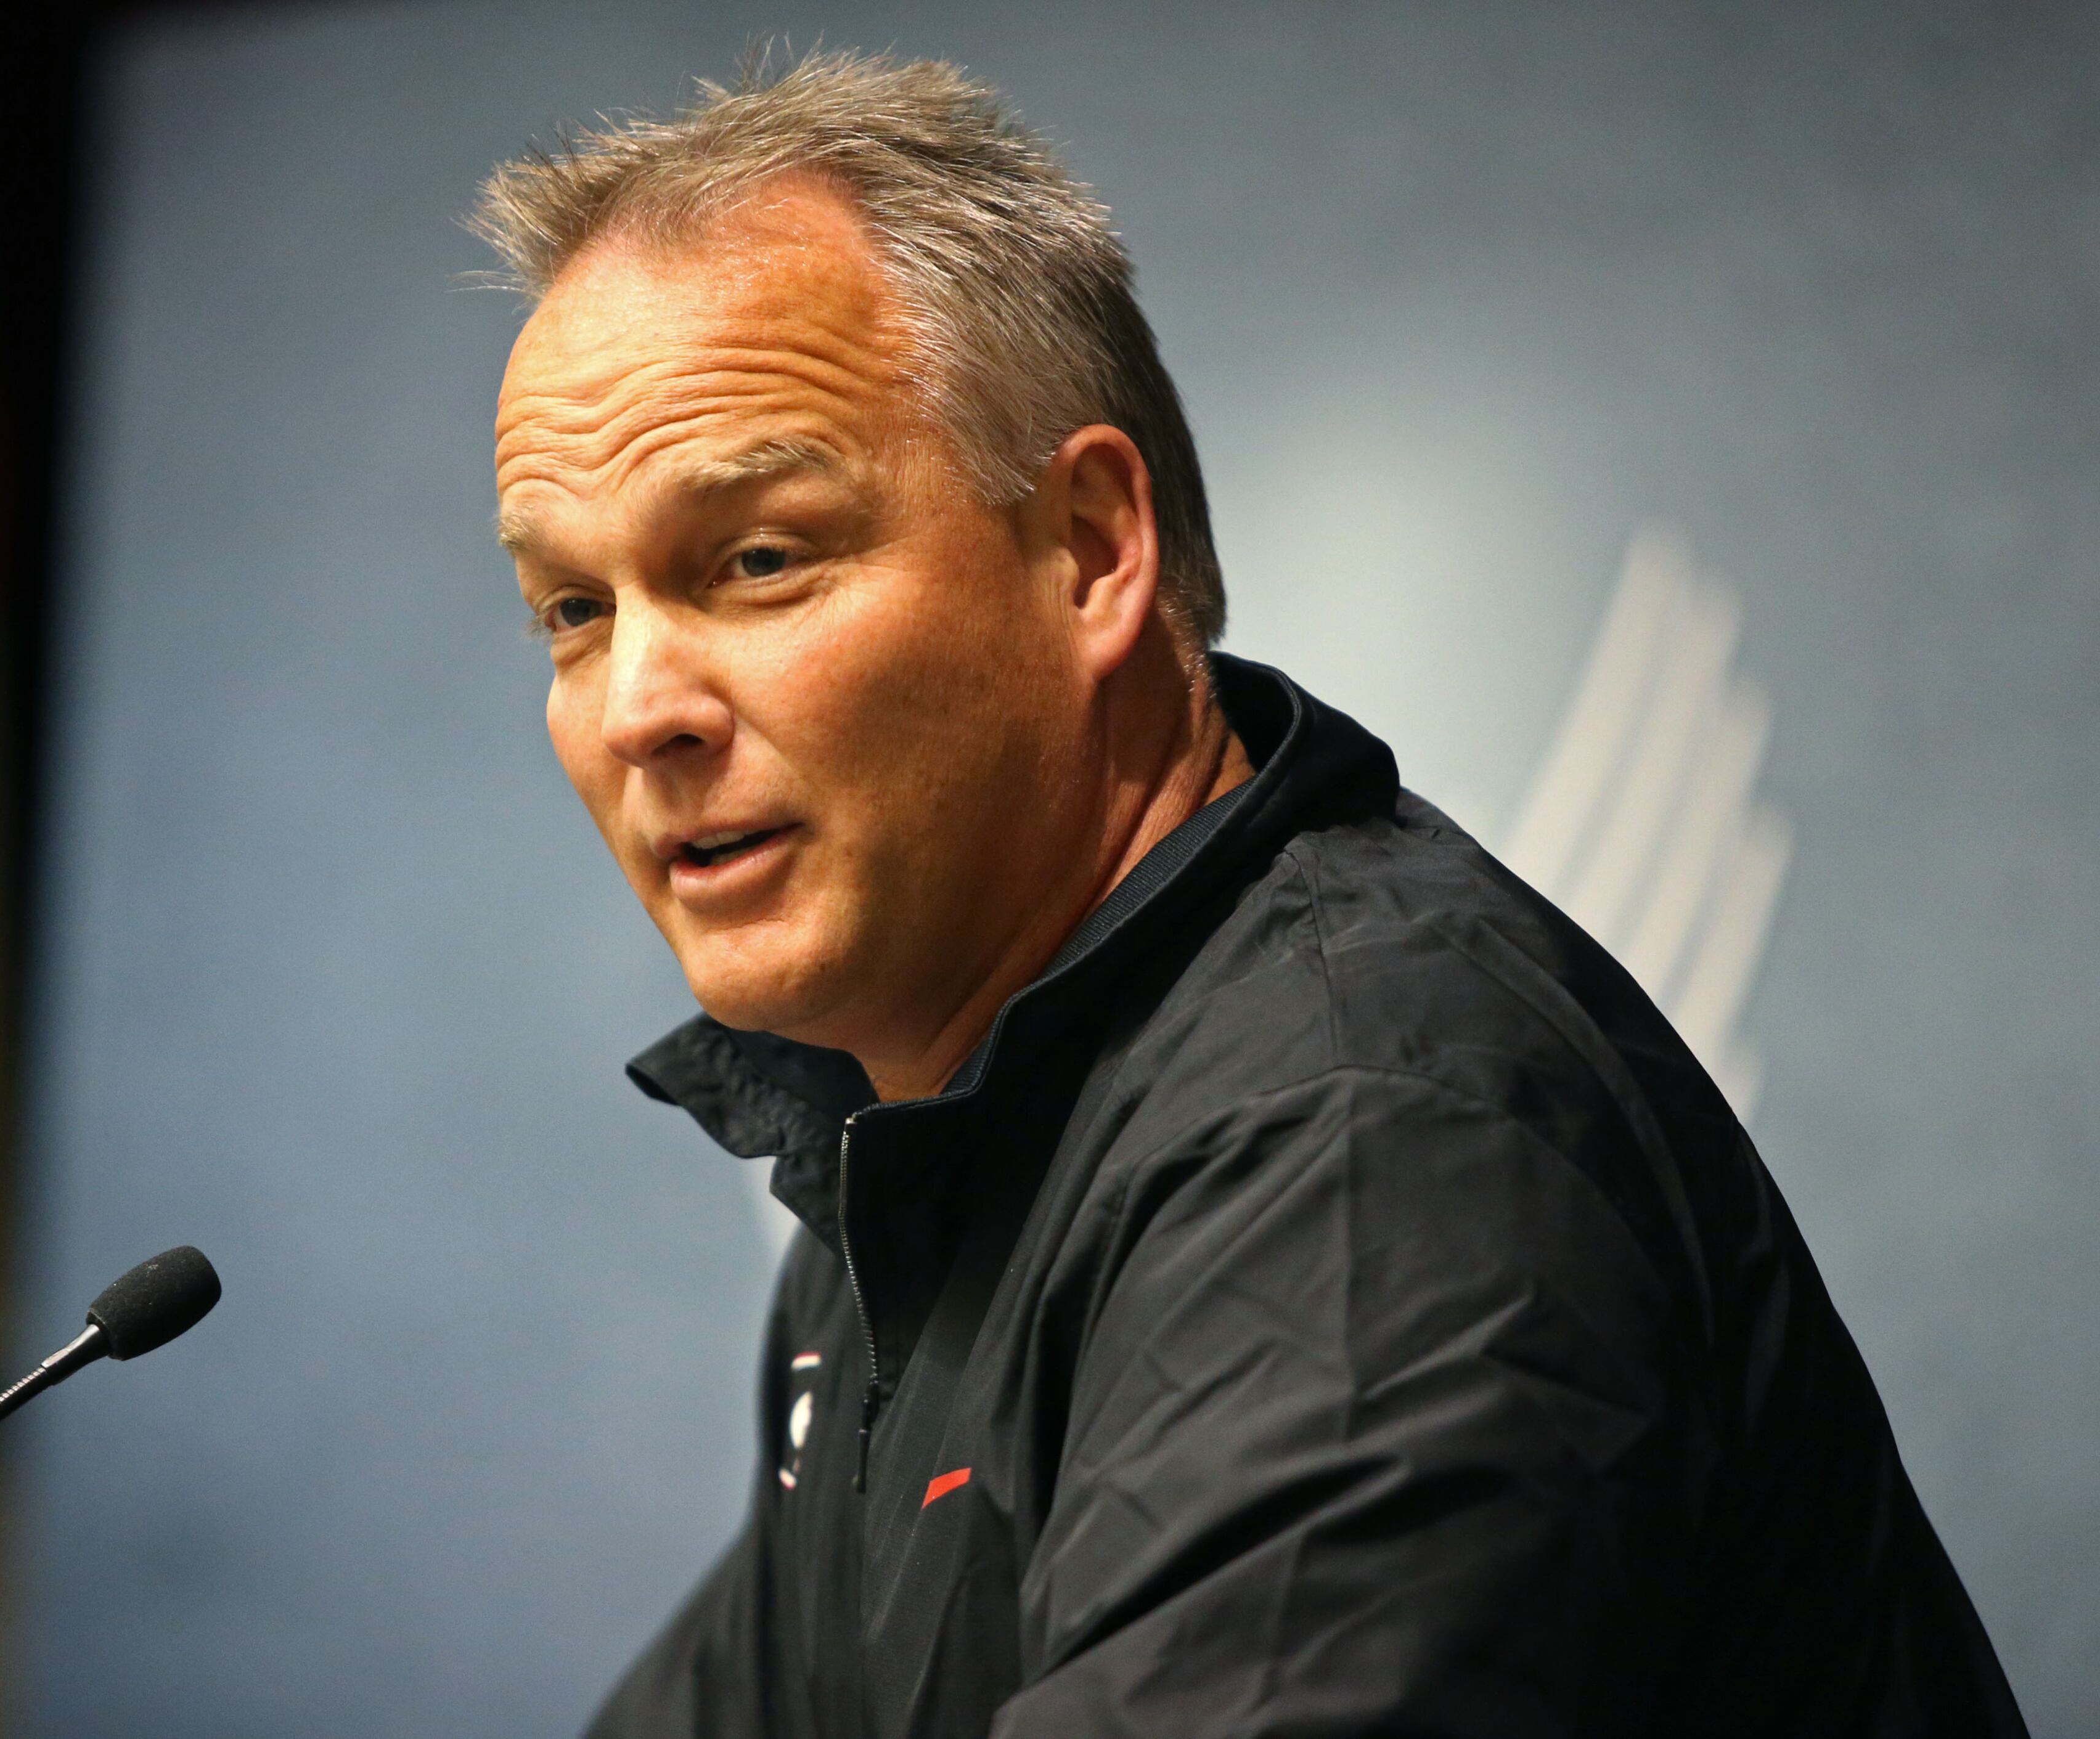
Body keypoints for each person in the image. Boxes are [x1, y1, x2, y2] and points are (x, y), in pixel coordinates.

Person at [476, 49, 2025, 1739]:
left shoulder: (1368, 1134)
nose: (638, 707)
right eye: (574, 610)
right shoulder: (920, 1148)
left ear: (1087, 552)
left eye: (758, 559)